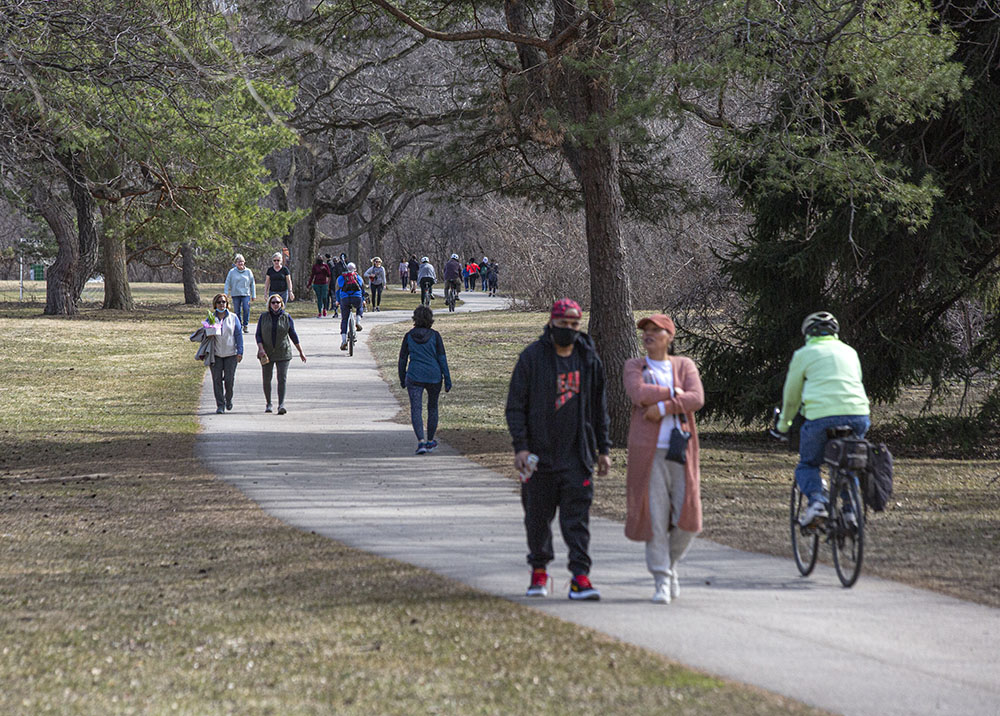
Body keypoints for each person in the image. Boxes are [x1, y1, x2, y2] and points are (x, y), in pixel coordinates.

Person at [505, 298, 611, 601]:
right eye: (564, 324)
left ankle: (580, 578)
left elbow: (598, 409)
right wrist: (521, 448)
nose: (569, 330)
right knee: (537, 519)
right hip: (539, 458)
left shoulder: (588, 359)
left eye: (575, 325)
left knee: (577, 521)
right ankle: (539, 573)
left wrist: (603, 449)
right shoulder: (531, 358)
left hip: (577, 456)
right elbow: (515, 406)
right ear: (552, 323)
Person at [623, 314, 705, 604]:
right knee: (656, 518)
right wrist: (672, 393)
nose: (648, 335)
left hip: (680, 450)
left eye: (655, 331)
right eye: (645, 331)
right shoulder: (635, 365)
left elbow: (696, 398)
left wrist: (663, 408)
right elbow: (637, 392)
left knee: (688, 519)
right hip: (648, 452)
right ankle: (661, 581)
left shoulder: (684, 365)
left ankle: (669, 566)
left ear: (669, 336)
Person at [776, 311, 871, 526]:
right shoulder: (850, 352)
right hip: (858, 415)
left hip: (821, 417)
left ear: (807, 333)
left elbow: (791, 398)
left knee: (808, 464)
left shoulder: (804, 354)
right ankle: (850, 511)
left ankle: (817, 503)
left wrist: (784, 424)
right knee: (849, 463)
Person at [397, 305, 452, 455]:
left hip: (414, 376)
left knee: (416, 408)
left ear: (415, 318)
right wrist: (447, 379)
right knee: (432, 407)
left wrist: (402, 378)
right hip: (434, 376)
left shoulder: (409, 336)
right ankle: (430, 441)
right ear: (430, 319)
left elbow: (402, 360)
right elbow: (442, 359)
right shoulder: (435, 336)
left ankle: (420, 441)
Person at [255, 294, 306, 414]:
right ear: (269, 304)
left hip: (283, 352)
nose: (275, 305)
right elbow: (258, 335)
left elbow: (293, 334)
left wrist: (300, 351)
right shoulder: (263, 317)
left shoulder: (286, 317)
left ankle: (281, 404)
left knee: (282, 378)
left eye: (277, 302)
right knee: (267, 379)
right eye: (273, 302)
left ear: (281, 304)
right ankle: (268, 403)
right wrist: (261, 348)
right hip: (266, 352)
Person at [208, 293, 244, 414]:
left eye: (223, 302)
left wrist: (240, 351)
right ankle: (220, 405)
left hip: (230, 354)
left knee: (229, 380)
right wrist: (209, 329)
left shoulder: (233, 318)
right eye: (219, 302)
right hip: (216, 354)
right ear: (215, 304)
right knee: (217, 380)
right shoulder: (211, 318)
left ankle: (228, 398)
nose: (221, 304)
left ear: (227, 304)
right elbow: (206, 335)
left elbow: (238, 335)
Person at [336, 261, 365, 350]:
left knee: (344, 319)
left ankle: (344, 340)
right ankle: (358, 321)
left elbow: (337, 290)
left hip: (344, 299)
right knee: (359, 307)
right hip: (357, 297)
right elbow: (362, 289)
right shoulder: (358, 277)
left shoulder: (341, 278)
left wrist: (337, 301)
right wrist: (363, 300)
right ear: (355, 269)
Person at [224, 254, 256, 334]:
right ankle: (238, 326)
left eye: (242, 261)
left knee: (246, 309)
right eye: (238, 262)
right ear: (235, 263)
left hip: (246, 294)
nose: (240, 263)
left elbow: (252, 283)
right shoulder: (232, 272)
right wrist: (226, 293)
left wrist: (253, 295)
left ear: (244, 262)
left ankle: (245, 325)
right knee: (237, 311)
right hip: (235, 294)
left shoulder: (248, 271)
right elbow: (227, 283)